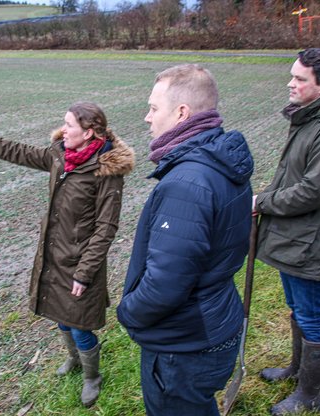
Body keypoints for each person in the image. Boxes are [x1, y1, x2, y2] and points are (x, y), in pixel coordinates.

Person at [0, 102, 135, 407]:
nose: (63, 129)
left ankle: (91, 376)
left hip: (81, 262)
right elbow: (14, 150)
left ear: (89, 132)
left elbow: (106, 228)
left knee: (80, 324)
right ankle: (74, 360)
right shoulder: (60, 155)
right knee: (61, 317)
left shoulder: (105, 172)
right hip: (54, 255)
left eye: (69, 125)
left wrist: (84, 273)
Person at [116, 64, 254, 415]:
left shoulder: (186, 183)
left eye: (153, 108)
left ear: (181, 113)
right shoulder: (221, 160)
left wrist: (127, 312)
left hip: (186, 343)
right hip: (215, 320)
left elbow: (165, 285)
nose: (147, 118)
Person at [253, 48, 320, 415]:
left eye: (300, 78)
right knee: (297, 309)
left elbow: (315, 190)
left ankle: (309, 395)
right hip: (293, 235)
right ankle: (297, 371)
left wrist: (262, 202)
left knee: (312, 314)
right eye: (293, 75)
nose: (291, 83)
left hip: (312, 239)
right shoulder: (312, 118)